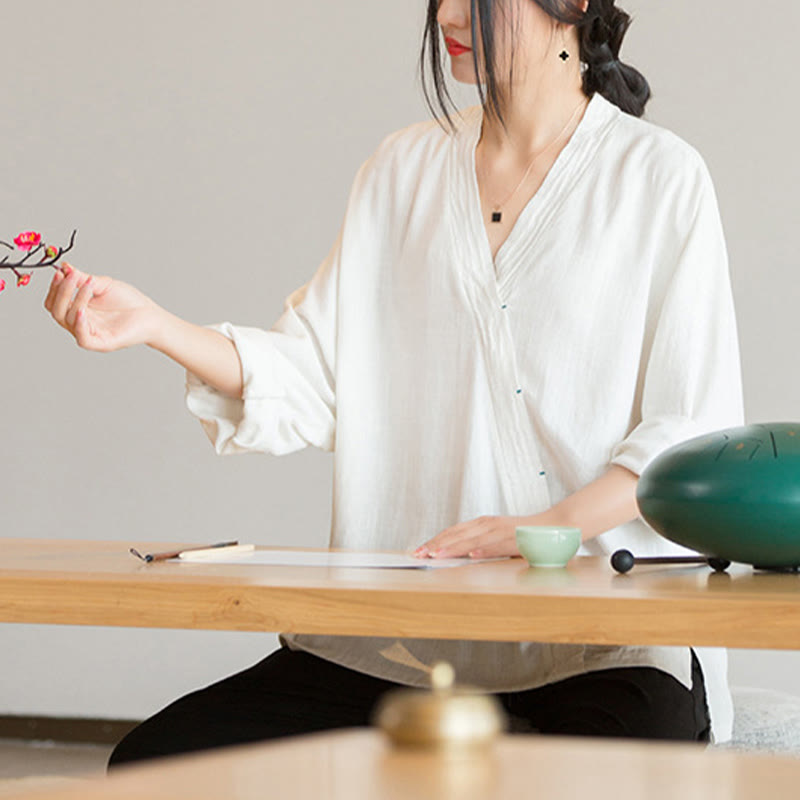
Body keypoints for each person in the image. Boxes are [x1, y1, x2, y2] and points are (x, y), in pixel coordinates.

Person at [43, 0, 744, 766]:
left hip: (602, 650)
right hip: (396, 642)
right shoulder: (401, 169)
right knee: (158, 766)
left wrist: (550, 526)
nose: (446, 11)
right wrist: (155, 325)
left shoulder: (659, 178)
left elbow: (689, 432)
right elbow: (311, 376)